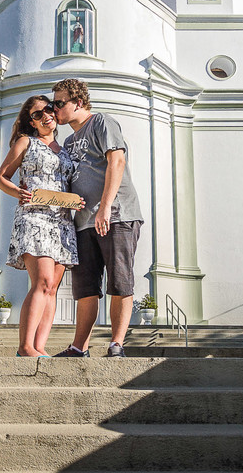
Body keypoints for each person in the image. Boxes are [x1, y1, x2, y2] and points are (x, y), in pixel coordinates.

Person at [50, 78, 144, 358]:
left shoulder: (101, 122)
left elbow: (117, 161)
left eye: (59, 103)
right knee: (85, 289)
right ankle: (80, 347)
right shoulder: (68, 141)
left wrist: (105, 206)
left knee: (119, 282)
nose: (55, 109)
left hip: (116, 217)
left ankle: (116, 344)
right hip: (82, 223)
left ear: (78, 102)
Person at [0, 95, 80, 357]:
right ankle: (24, 347)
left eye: (49, 110)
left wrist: (78, 201)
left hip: (62, 222)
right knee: (41, 281)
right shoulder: (26, 142)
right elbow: (1, 178)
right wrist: (19, 193)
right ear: (30, 122)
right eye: (37, 114)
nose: (45, 116)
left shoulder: (66, 150)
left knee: (52, 287)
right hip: (34, 218)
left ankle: (39, 347)